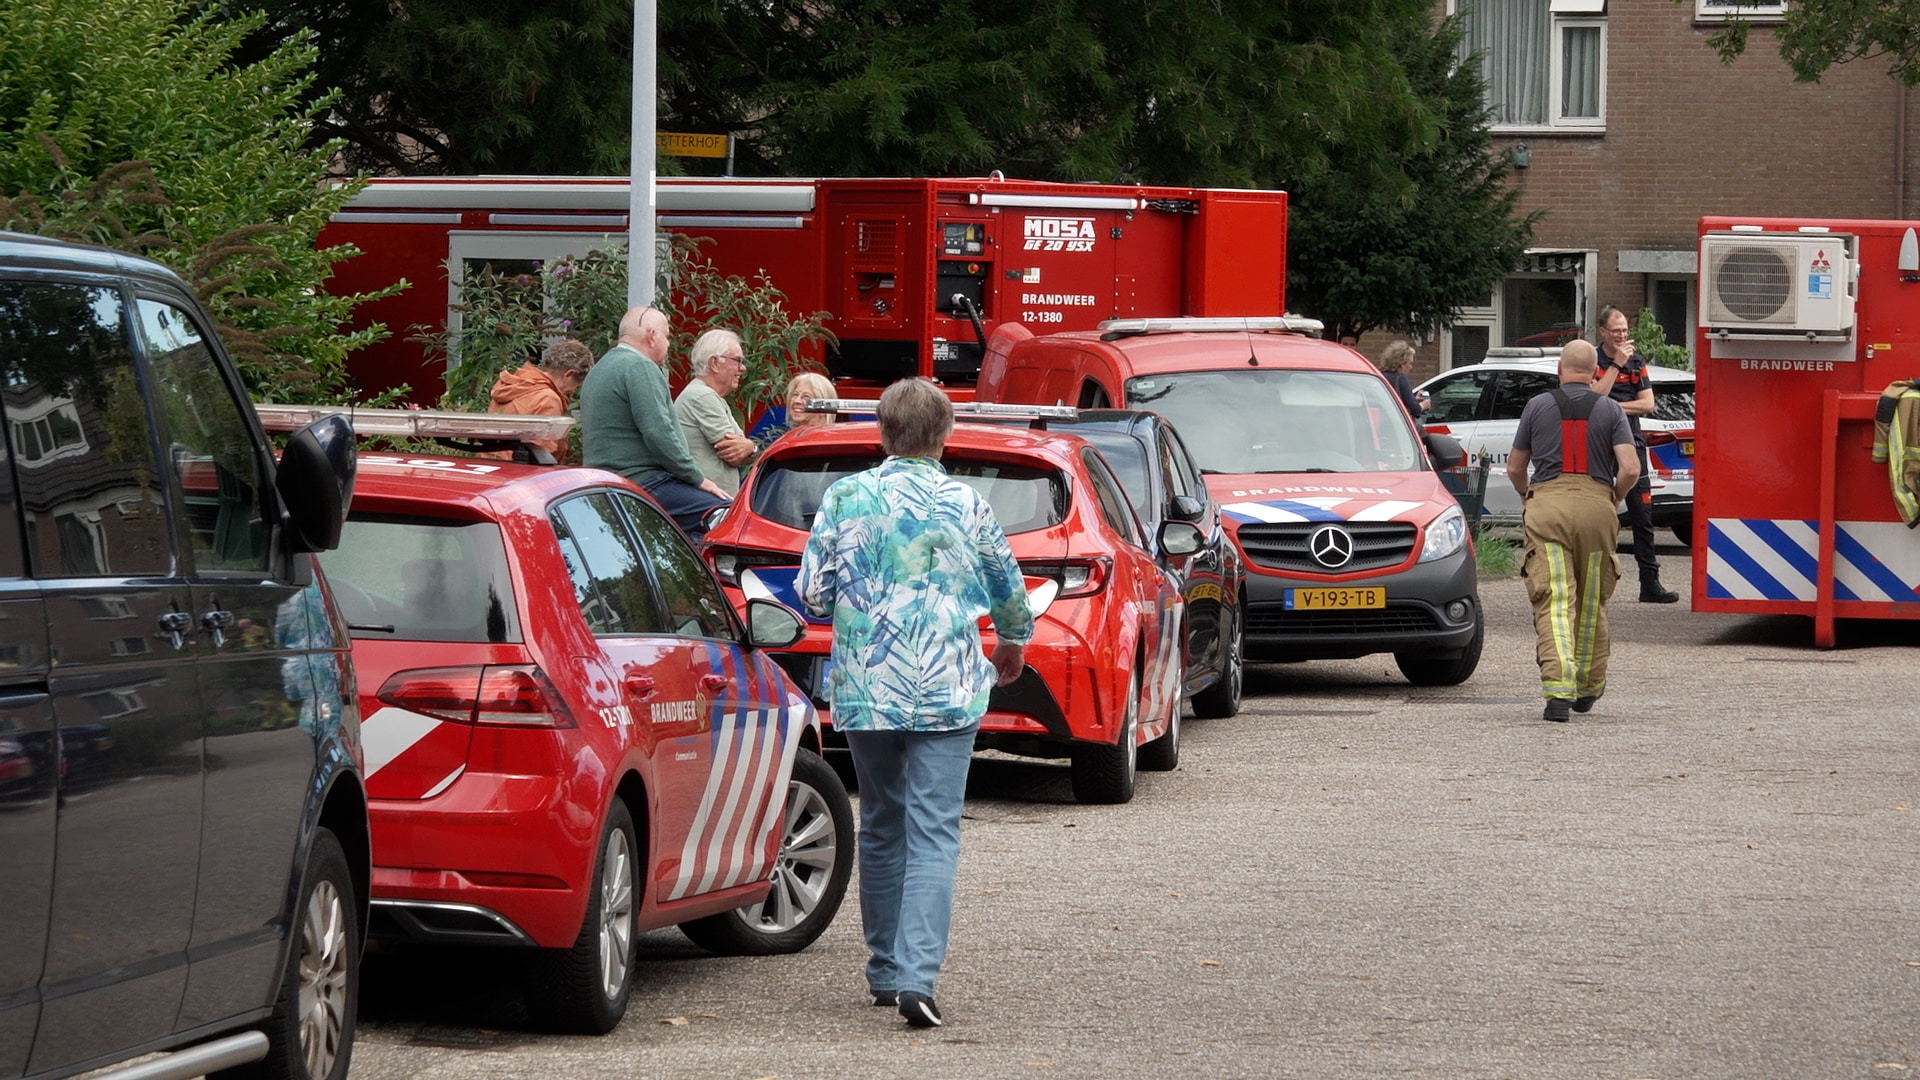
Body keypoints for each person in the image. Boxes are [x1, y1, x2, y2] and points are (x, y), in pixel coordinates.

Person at [795, 377, 1034, 1029]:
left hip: (867, 685)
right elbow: (1008, 590)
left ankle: (883, 968)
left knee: (880, 819)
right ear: (945, 434)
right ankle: (916, 978)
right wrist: (1012, 642)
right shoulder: (967, 503)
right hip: (946, 686)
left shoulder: (845, 498)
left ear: (882, 431)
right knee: (934, 829)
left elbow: (812, 594)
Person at [1506, 340, 1640, 723]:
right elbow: (1630, 468)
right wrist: (1614, 496)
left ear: (1559, 370)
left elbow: (1515, 467)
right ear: (1596, 372)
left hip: (1548, 509)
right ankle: (1588, 687)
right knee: (1592, 599)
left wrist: (1527, 495)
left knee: (1555, 598)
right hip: (1597, 509)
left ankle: (1558, 693)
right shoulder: (1611, 409)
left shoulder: (1537, 406)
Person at [577, 305, 731, 535]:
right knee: (727, 516)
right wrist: (699, 479)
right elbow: (659, 433)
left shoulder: (600, 369)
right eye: (667, 337)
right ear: (652, 336)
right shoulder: (640, 367)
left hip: (603, 483)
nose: (668, 345)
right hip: (643, 481)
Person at [1593, 305, 1679, 603]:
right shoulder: (1593, 360)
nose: (1621, 336)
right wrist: (1616, 366)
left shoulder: (1637, 362)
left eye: (1625, 331)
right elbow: (1593, 398)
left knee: (1642, 515)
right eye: (1616, 331)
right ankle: (1594, 581)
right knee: (1598, 515)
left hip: (1632, 441)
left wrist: (1613, 407)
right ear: (1602, 332)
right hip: (1600, 445)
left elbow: (1647, 404)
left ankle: (1650, 582)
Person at [673, 328, 759, 495]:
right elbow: (736, 456)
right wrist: (750, 447)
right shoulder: (702, 396)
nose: (743, 368)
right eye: (738, 360)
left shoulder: (707, 395)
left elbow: (744, 450)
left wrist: (750, 447)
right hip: (708, 502)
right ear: (714, 363)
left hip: (710, 500)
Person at [480, 338, 594, 462]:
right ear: (568, 375)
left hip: (490, 466)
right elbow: (542, 455)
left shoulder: (512, 385)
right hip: (520, 470)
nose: (572, 391)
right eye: (576, 385)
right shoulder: (548, 399)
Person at [1379, 340, 1424, 418]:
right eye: (1410, 363)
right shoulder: (1401, 379)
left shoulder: (1379, 377)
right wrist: (1423, 405)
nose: (1411, 367)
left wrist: (1414, 399)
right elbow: (1415, 410)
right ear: (1402, 364)